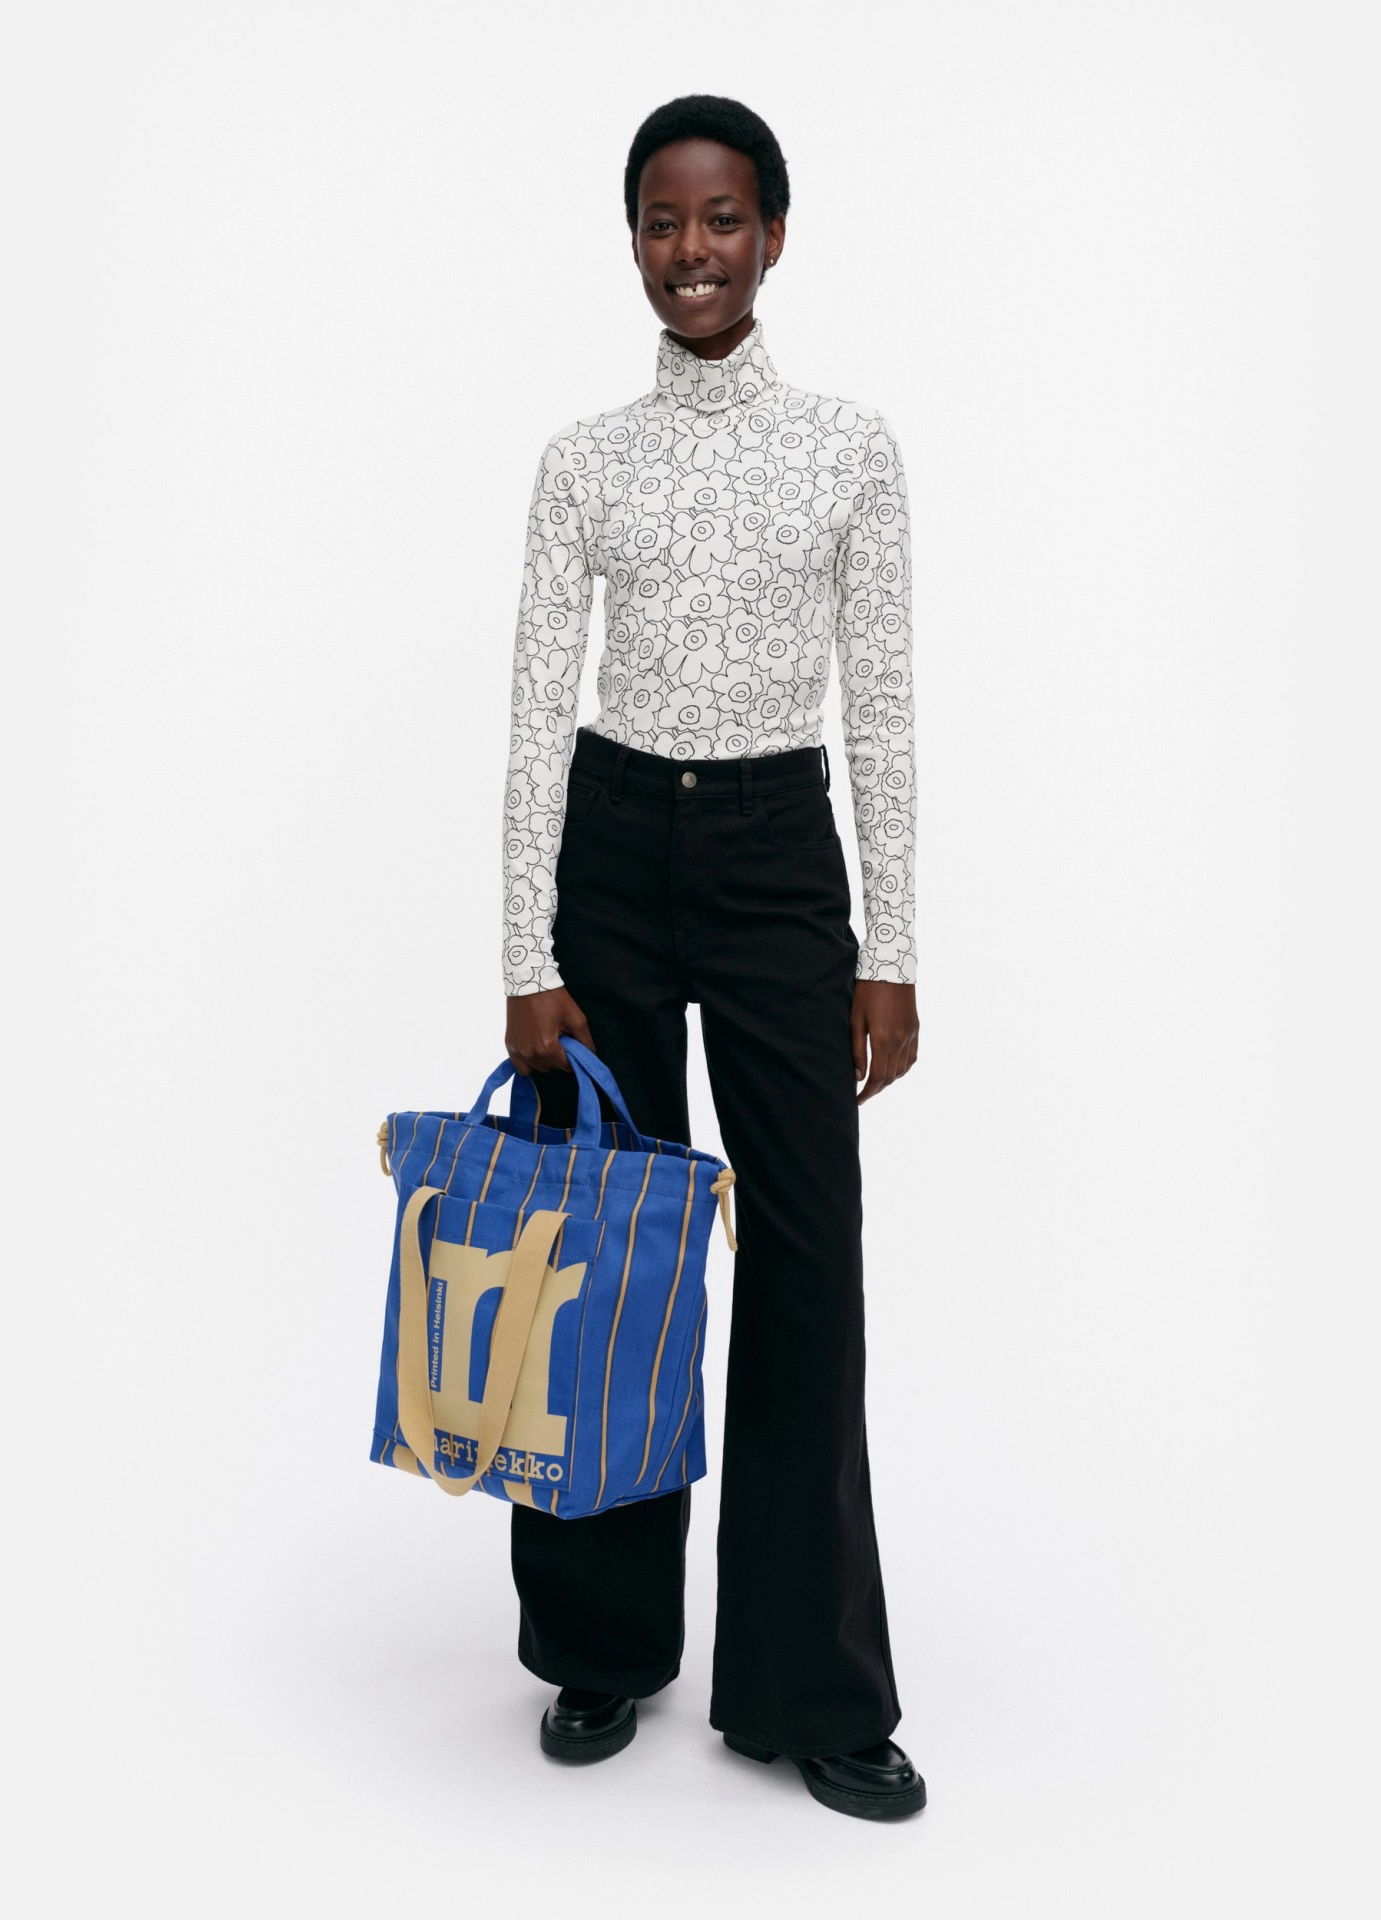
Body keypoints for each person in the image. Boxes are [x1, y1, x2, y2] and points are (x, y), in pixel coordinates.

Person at [500, 93, 924, 1822]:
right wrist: (525, 951)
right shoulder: (583, 460)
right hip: (610, 851)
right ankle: (603, 1642)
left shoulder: (849, 449)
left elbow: (882, 705)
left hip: (773, 862)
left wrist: (892, 948)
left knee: (808, 1261)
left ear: (774, 234)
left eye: (725, 217)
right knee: (609, 1249)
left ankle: (807, 1688)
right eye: (666, 221)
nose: (696, 250)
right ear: (633, 241)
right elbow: (536, 712)